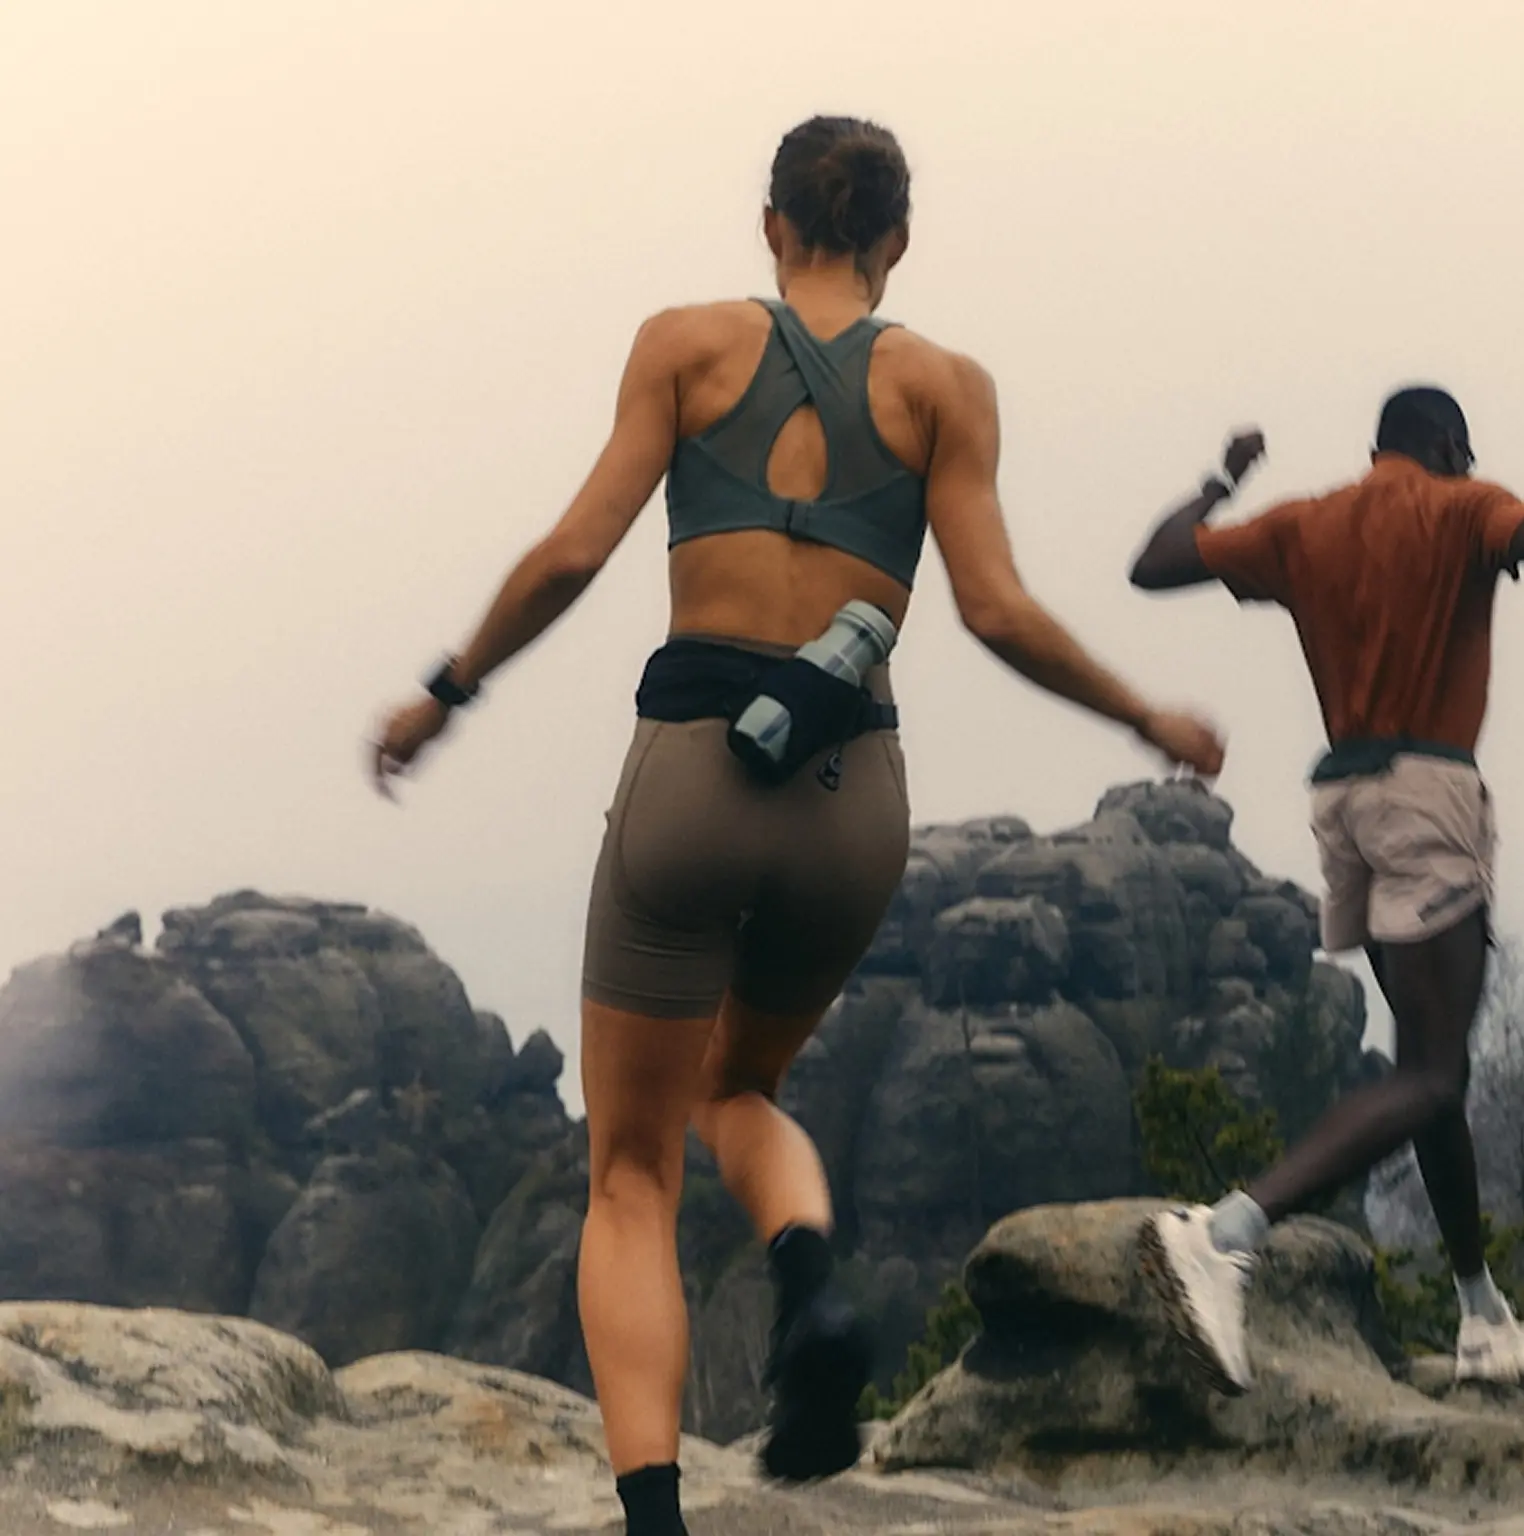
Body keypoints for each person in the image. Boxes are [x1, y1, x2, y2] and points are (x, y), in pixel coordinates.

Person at [365, 116, 1224, 1536]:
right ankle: (812, 1283)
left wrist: (446, 691)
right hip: (852, 790)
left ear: (771, 224)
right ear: (897, 241)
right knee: (739, 1090)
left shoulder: (686, 346)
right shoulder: (947, 387)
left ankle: (655, 1519)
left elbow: (576, 549)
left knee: (631, 1171)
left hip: (694, 768)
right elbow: (997, 611)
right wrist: (1147, 718)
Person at [1121, 387, 1524, 1392]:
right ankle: (1226, 1233)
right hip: (1427, 796)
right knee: (1428, 1076)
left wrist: (1222, 480)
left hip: (1345, 802)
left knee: (1433, 1067)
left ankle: (1479, 1310)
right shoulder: (1461, 507)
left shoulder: (1306, 521)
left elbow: (1155, 564)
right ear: (1449, 447)